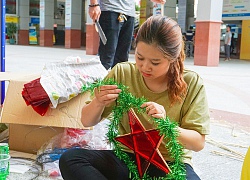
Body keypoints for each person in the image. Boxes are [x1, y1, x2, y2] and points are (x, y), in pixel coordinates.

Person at [59, 15, 210, 180]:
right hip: (128, 159)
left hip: (170, 164)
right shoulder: (123, 72)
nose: (145, 67)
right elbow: (87, 121)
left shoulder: (191, 82)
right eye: (140, 57)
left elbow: (197, 143)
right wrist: (98, 102)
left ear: (172, 59)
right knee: (72, 159)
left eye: (155, 62)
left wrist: (166, 125)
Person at [88, 0, 166, 70]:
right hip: (110, 9)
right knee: (106, 56)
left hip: (129, 13)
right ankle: (98, 84)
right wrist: (93, 4)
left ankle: (118, 84)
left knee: (122, 59)